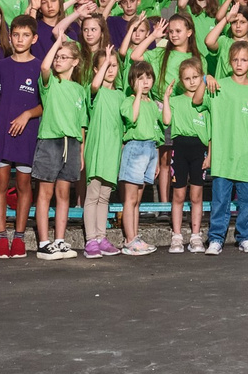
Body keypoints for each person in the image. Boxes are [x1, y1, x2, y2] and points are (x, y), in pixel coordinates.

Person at [0, 16, 44, 258]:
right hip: (1, 133)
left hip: (27, 134)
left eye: (26, 35)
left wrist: (26, 115)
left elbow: (45, 104)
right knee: (0, 183)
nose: (20, 39)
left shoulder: (41, 67)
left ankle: (19, 237)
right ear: (9, 37)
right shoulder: (0, 66)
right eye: (16, 35)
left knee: (23, 185)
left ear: (34, 38)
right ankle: (1, 237)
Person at [30, 38, 89, 260]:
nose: (58, 60)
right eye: (57, 56)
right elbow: (44, 67)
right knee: (45, 193)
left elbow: (82, 124)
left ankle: (60, 240)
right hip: (50, 141)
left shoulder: (80, 90)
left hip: (71, 143)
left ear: (75, 62)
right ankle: (44, 242)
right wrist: (56, 42)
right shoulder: (50, 83)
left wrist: (81, 152)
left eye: (64, 57)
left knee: (64, 193)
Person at [207, 41, 248, 252]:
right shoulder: (219, 85)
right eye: (235, 60)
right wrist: (207, 77)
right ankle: (216, 238)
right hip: (223, 154)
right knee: (220, 201)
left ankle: (245, 237)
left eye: (243, 60)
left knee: (246, 201)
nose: (239, 64)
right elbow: (198, 98)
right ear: (229, 62)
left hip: (245, 153)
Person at [80, 49, 128, 257]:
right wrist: (107, 60)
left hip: (112, 149)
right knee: (92, 195)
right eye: (106, 66)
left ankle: (101, 236)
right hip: (96, 147)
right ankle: (90, 240)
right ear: (96, 69)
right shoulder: (94, 91)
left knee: (104, 196)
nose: (110, 69)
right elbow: (94, 85)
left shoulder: (120, 95)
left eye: (114, 66)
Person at [117, 60, 167, 254]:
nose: (145, 82)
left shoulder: (154, 104)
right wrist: (137, 93)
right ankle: (129, 239)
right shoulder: (129, 100)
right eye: (140, 78)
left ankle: (135, 237)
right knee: (130, 199)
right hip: (135, 148)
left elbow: (158, 129)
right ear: (132, 81)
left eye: (148, 77)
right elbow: (133, 117)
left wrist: (154, 158)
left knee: (137, 198)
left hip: (149, 149)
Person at [165, 61, 214, 251]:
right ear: (181, 81)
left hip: (199, 149)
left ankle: (195, 235)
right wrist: (167, 99)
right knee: (178, 193)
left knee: (196, 195)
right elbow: (167, 120)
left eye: (195, 77)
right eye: (187, 78)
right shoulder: (176, 101)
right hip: (180, 148)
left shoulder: (206, 101)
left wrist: (209, 155)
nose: (192, 82)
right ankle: (176, 235)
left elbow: (210, 133)